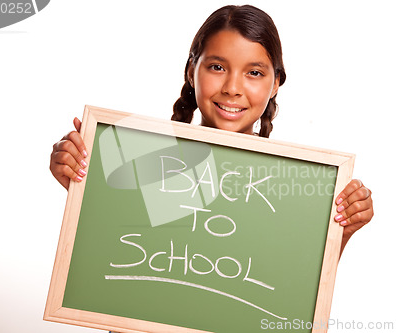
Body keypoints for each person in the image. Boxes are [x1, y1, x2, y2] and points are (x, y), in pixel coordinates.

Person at [50, 5, 373, 257]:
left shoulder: (297, 186)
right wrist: (82, 189)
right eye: (217, 67)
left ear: (275, 83)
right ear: (192, 71)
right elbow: (113, 259)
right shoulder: (139, 160)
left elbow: (291, 289)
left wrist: (339, 233)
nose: (232, 88)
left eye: (254, 72)